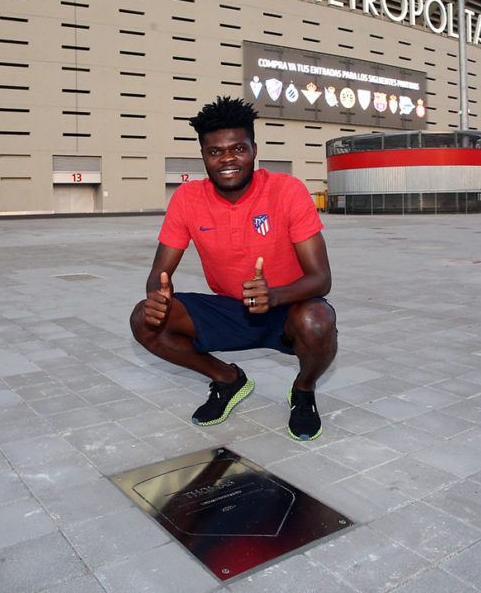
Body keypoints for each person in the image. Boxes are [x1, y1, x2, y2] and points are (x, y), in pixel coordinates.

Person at [130, 96, 337, 440]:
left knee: (317, 321)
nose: (227, 158)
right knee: (144, 320)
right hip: (232, 308)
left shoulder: (287, 190)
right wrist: (157, 296)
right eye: (215, 152)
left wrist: (273, 295)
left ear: (254, 149)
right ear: (203, 156)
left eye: (238, 148)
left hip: (287, 307)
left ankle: (303, 390)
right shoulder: (187, 199)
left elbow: (321, 279)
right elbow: (159, 273)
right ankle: (228, 379)